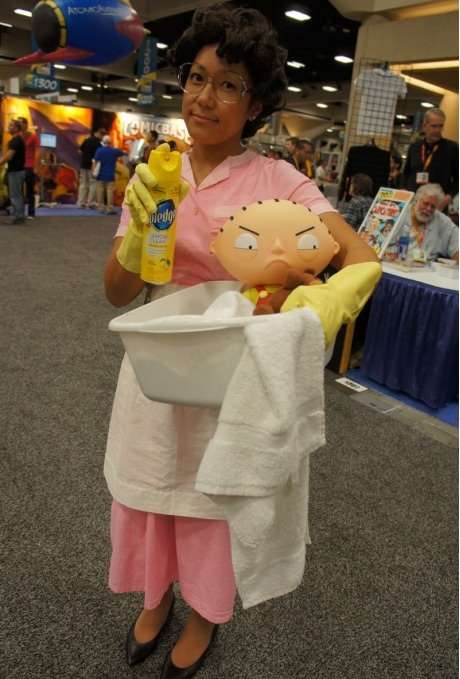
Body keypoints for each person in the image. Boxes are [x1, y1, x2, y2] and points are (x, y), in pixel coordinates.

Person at [103, 6, 379, 679]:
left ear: (255, 105)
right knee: (149, 480)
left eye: (228, 85)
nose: (205, 97)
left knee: (214, 495)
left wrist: (310, 299)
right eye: (197, 78)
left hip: (233, 364)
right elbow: (116, 292)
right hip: (158, 355)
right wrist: (137, 237)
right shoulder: (157, 171)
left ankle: (205, 614)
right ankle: (155, 594)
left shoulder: (278, 180)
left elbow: (360, 255)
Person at [402, 108, 458, 211]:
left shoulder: (452, 149)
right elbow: (406, 173)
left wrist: (447, 198)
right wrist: (404, 190)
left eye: (440, 126)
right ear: (424, 126)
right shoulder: (415, 147)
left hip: (437, 206)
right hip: (413, 204)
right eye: (434, 126)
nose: (437, 130)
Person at [386, 183, 458, 263]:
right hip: (391, 264)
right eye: (425, 203)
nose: (428, 209)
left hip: (425, 268)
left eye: (433, 206)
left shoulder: (443, 222)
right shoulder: (398, 212)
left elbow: (457, 244)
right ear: (416, 200)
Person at [0, 119, 26, 225]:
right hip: (17, 171)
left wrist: (0, 162)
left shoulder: (16, 141)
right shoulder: (17, 140)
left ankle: (17, 216)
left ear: (16, 128)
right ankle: (19, 215)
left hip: (15, 171)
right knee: (17, 195)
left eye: (11, 126)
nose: (9, 127)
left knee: (15, 195)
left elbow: (9, 156)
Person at [93, 135, 125, 214]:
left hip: (100, 174)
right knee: (109, 191)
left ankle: (101, 207)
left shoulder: (99, 150)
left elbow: (95, 161)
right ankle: (109, 208)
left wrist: (93, 171)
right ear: (110, 142)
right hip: (110, 174)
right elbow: (122, 153)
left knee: (100, 191)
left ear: (103, 142)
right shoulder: (114, 151)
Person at [77, 128, 105, 209]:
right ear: (99, 134)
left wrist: (85, 156)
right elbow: (99, 156)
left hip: (83, 165)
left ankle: (81, 203)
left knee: (83, 184)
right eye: (102, 135)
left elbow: (80, 151)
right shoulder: (99, 144)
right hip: (92, 166)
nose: (102, 137)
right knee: (93, 184)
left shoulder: (86, 140)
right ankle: (90, 203)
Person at [18, 116, 39, 219]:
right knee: (19, 191)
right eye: (18, 123)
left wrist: (36, 166)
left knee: (30, 190)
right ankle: (19, 212)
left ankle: (31, 213)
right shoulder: (17, 136)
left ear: (26, 124)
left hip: (30, 166)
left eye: (21, 123)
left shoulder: (33, 136)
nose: (19, 124)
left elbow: (38, 152)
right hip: (19, 166)